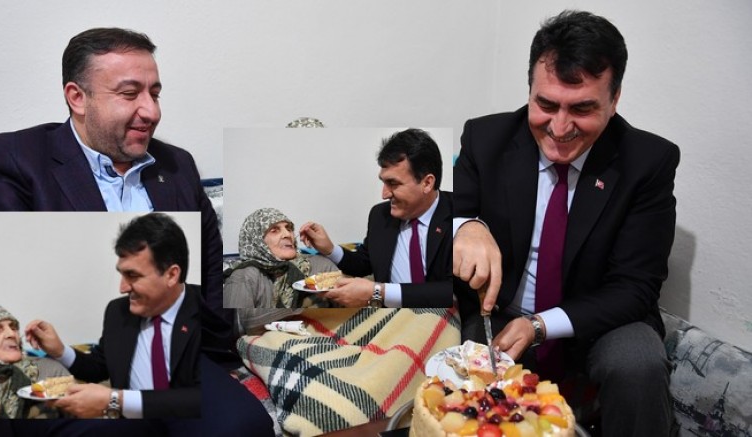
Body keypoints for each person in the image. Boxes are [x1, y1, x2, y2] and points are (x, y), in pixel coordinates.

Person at [452, 10, 678, 436]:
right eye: (546, 105)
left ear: (614, 99)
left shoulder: (648, 162)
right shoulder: (485, 138)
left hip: (601, 321)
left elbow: (636, 287)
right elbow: (447, 209)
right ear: (530, 90)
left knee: (638, 362)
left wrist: (540, 326)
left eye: (582, 108)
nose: (559, 127)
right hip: (502, 314)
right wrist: (467, 225)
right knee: (466, 368)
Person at [0, 27, 225, 318]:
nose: (152, 112)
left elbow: (212, 286)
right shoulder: (12, 162)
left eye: (155, 94)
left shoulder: (177, 166)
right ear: (78, 98)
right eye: (129, 94)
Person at [22, 214, 273, 434]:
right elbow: (98, 367)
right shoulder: (118, 312)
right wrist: (59, 350)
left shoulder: (200, 303)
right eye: (122, 273)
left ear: (171, 275)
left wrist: (113, 400)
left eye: (133, 275)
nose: (122, 287)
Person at [299, 128, 453, 308]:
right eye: (383, 182)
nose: (384, 194)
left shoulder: (460, 216)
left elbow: (452, 291)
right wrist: (330, 249)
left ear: (427, 183)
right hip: (388, 316)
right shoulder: (380, 215)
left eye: (393, 183)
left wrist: (378, 292)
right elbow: (365, 263)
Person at [223, 207, 338, 334]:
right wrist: (302, 307)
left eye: (289, 228)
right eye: (274, 230)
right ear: (257, 241)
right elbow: (239, 326)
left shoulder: (319, 265)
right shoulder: (244, 276)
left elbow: (344, 303)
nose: (287, 234)